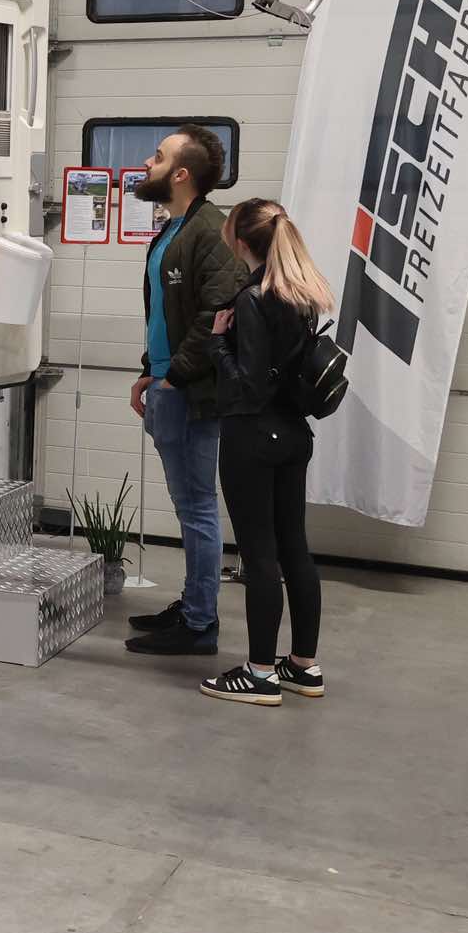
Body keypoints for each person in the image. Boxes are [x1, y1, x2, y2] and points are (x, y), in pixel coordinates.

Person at [198, 198, 331, 705]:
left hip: (252, 437)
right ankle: (303, 665)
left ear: (240, 242)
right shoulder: (302, 296)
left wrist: (217, 343)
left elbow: (249, 386)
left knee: (259, 555)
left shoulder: (253, 299)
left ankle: (258, 672)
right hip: (294, 435)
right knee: (294, 548)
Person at [124, 125, 245, 657]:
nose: (145, 164)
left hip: (191, 393)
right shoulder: (174, 229)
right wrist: (150, 370)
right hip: (169, 383)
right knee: (188, 506)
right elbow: (167, 314)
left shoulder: (209, 231)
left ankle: (200, 624)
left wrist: (175, 376)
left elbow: (217, 312)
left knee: (196, 508)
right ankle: (194, 605)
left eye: (157, 157)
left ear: (180, 174)